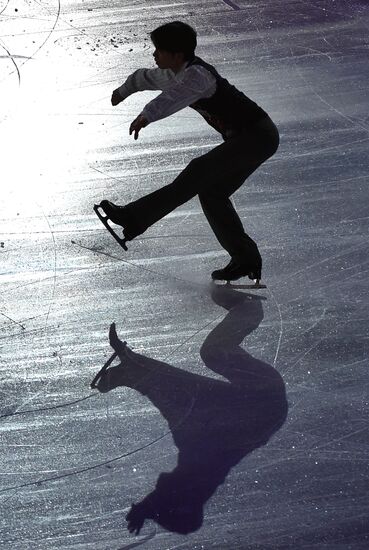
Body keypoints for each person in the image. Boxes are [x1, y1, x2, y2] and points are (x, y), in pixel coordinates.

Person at [98, 21, 279, 282]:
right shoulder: (174, 71)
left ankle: (133, 218)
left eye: (159, 50)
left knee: (199, 171)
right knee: (212, 193)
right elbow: (143, 77)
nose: (154, 55)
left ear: (177, 54)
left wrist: (147, 115)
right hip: (245, 138)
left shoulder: (197, 76)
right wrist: (122, 91)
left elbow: (174, 97)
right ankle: (245, 259)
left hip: (257, 136)